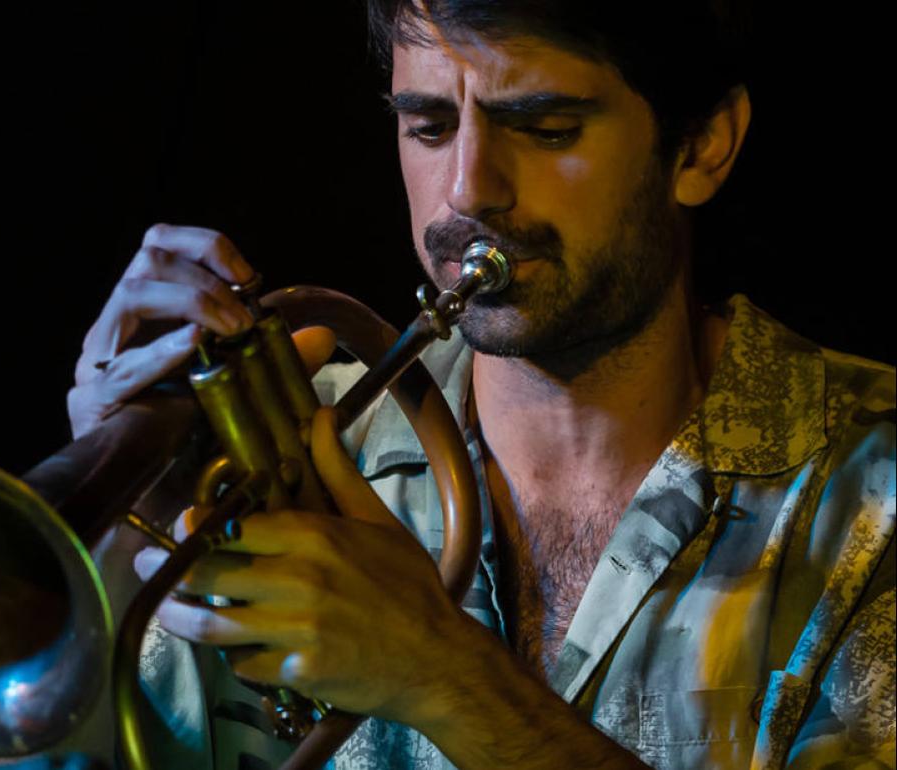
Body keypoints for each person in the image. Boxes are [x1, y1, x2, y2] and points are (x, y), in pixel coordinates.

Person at [65, 2, 895, 768]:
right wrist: (109, 536)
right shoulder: (283, 456)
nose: (468, 189)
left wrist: (446, 678)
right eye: (427, 126)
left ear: (703, 144)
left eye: (545, 128)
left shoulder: (875, 491)